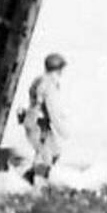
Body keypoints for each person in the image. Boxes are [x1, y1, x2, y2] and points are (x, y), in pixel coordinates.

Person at [17, 52, 67, 185]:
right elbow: (51, 109)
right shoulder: (49, 84)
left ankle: (31, 179)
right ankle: (31, 183)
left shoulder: (39, 80)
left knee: (54, 152)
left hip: (37, 122)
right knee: (46, 157)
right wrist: (62, 129)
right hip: (37, 124)